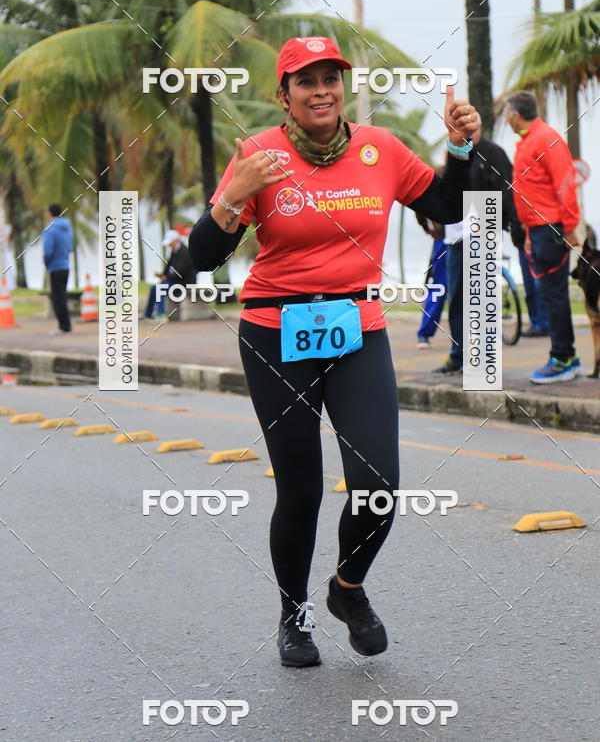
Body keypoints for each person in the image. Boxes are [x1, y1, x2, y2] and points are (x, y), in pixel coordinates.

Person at [189, 36, 480, 668]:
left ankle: (347, 590)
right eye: (306, 80)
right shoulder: (258, 155)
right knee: (301, 490)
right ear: (284, 95)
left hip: (357, 326)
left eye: (332, 77)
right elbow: (198, 260)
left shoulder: (381, 149)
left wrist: (459, 150)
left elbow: (446, 206)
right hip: (275, 332)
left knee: (379, 485)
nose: (322, 89)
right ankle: (293, 619)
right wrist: (233, 195)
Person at [506, 90, 583, 383]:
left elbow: (565, 183)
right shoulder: (528, 140)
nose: (506, 118)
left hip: (551, 228)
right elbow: (531, 190)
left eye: (506, 114)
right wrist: (526, 231)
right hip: (537, 230)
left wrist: (571, 227)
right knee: (550, 294)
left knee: (554, 294)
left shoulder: (545, 137)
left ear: (515, 115)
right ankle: (566, 356)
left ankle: (564, 358)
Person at [432, 123, 515, 374]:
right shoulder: (454, 153)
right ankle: (458, 356)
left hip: (484, 233)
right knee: (456, 297)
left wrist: (498, 225)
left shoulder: (494, 153)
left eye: (470, 128)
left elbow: (506, 192)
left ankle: (483, 360)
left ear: (478, 128)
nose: (466, 133)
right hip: (456, 236)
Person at [143, 229, 197, 320]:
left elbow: (180, 273)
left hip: (184, 283)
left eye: (170, 243)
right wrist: (162, 275)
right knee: (153, 288)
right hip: (174, 281)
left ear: (176, 240)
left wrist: (166, 277)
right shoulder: (174, 251)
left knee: (160, 288)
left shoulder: (185, 252)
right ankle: (147, 314)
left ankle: (161, 314)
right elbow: (169, 267)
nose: (169, 245)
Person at [414, 209, 447, 349]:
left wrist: (426, 226)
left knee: (439, 286)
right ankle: (424, 333)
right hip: (448, 235)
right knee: (440, 285)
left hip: (453, 234)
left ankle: (424, 334)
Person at [510, 220, 550, 337]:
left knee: (538, 285)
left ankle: (544, 324)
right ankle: (537, 323)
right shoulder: (508, 202)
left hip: (535, 242)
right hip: (522, 244)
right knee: (530, 288)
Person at [43, 204, 73, 336]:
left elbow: (48, 250)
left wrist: (47, 262)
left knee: (57, 298)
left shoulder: (50, 228)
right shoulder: (67, 227)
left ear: (50, 213)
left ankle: (64, 326)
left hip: (55, 267)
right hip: (66, 265)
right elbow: (71, 245)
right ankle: (65, 325)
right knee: (62, 296)